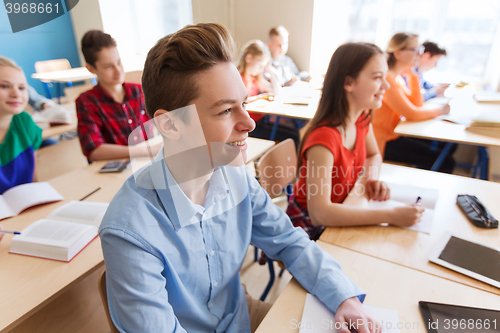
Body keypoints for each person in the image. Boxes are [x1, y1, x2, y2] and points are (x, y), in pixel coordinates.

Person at [99, 23, 381, 333]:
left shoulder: (236, 178)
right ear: (171, 125)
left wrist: (345, 300)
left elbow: (290, 243)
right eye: (224, 111)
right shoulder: (129, 230)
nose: (249, 123)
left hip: (239, 318)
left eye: (243, 104)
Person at [286, 43, 423, 241]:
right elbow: (320, 214)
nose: (386, 85)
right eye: (377, 78)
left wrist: (372, 177)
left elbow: (373, 154)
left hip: (346, 204)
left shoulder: (361, 117)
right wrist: (391, 215)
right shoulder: (323, 140)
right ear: (349, 83)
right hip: (309, 225)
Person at [371, 32, 454, 173]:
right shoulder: (387, 79)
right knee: (446, 162)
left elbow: (417, 105)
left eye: (420, 50)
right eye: (415, 50)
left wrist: (413, 73)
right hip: (383, 141)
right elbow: (411, 113)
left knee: (447, 146)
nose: (419, 55)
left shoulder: (397, 78)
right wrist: (441, 111)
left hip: (395, 134)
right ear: (398, 53)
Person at [76, 30, 162, 161]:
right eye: (108, 66)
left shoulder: (139, 91)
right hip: (121, 166)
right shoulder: (87, 102)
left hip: (148, 161)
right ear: (91, 69)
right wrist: (145, 151)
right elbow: (94, 150)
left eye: (119, 62)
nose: (118, 70)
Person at [0, 57, 42, 194]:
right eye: (4, 86)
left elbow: (34, 181)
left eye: (22, 87)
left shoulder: (25, 122)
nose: (16, 94)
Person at [236, 39, 280, 123]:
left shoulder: (254, 78)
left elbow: (276, 91)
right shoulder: (237, 78)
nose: (261, 70)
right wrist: (260, 98)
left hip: (260, 120)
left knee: (294, 133)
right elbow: (241, 102)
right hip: (249, 123)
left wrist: (268, 69)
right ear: (248, 58)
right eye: (260, 66)